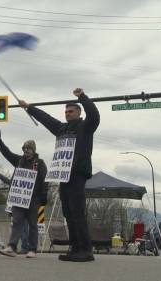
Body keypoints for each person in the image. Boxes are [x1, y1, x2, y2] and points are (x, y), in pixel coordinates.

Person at [19, 88, 99, 262]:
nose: (67, 114)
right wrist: (29, 108)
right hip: (64, 175)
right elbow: (46, 119)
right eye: (66, 112)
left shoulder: (85, 127)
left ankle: (86, 250)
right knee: (68, 213)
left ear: (78, 112)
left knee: (78, 212)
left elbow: (94, 115)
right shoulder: (61, 129)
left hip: (78, 174)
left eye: (71, 111)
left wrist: (82, 97)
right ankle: (75, 248)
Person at [0, 128, 47, 258]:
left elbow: (44, 180)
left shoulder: (39, 163)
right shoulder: (19, 161)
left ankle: (32, 249)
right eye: (24, 149)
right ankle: (12, 247)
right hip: (19, 199)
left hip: (33, 199)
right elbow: (6, 153)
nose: (26, 151)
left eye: (28, 148)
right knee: (17, 222)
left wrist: (43, 197)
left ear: (33, 150)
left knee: (32, 224)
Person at [0, 168, 30, 254]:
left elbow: (6, 180)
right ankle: (15, 246)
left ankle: (24, 247)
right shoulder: (14, 183)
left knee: (23, 229)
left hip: (23, 208)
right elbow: (5, 179)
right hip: (14, 209)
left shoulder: (22, 184)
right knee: (17, 229)